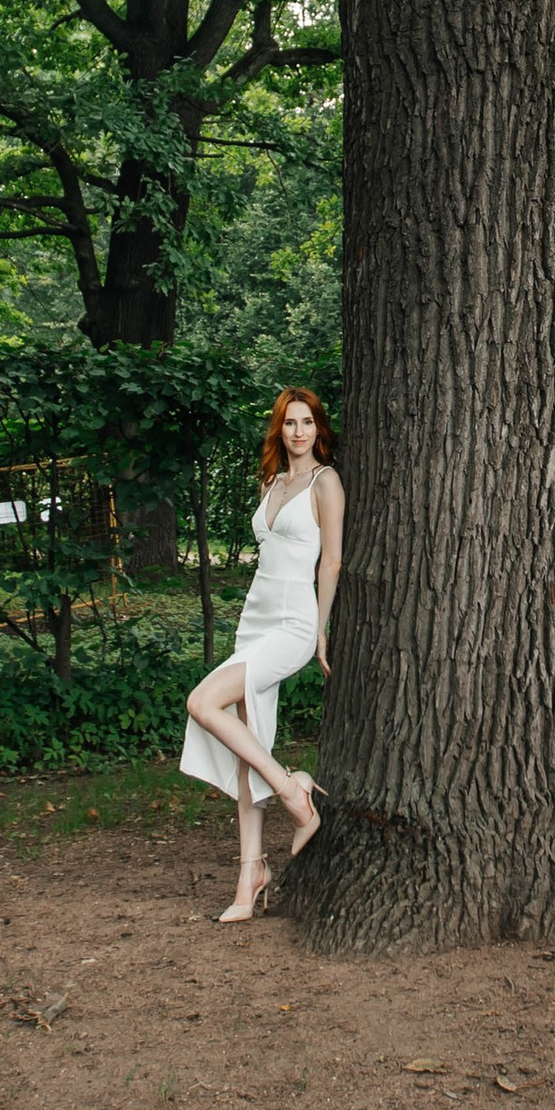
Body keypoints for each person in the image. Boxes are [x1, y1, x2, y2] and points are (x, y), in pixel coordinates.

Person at [180, 388, 339, 920]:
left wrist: (320, 629)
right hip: (255, 621)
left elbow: (331, 563)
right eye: (290, 423)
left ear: (319, 429)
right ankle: (251, 874)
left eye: (307, 422)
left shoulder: (325, 482)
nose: (299, 431)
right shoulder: (271, 480)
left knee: (202, 703)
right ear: (281, 429)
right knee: (249, 747)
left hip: (293, 623)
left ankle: (296, 796)